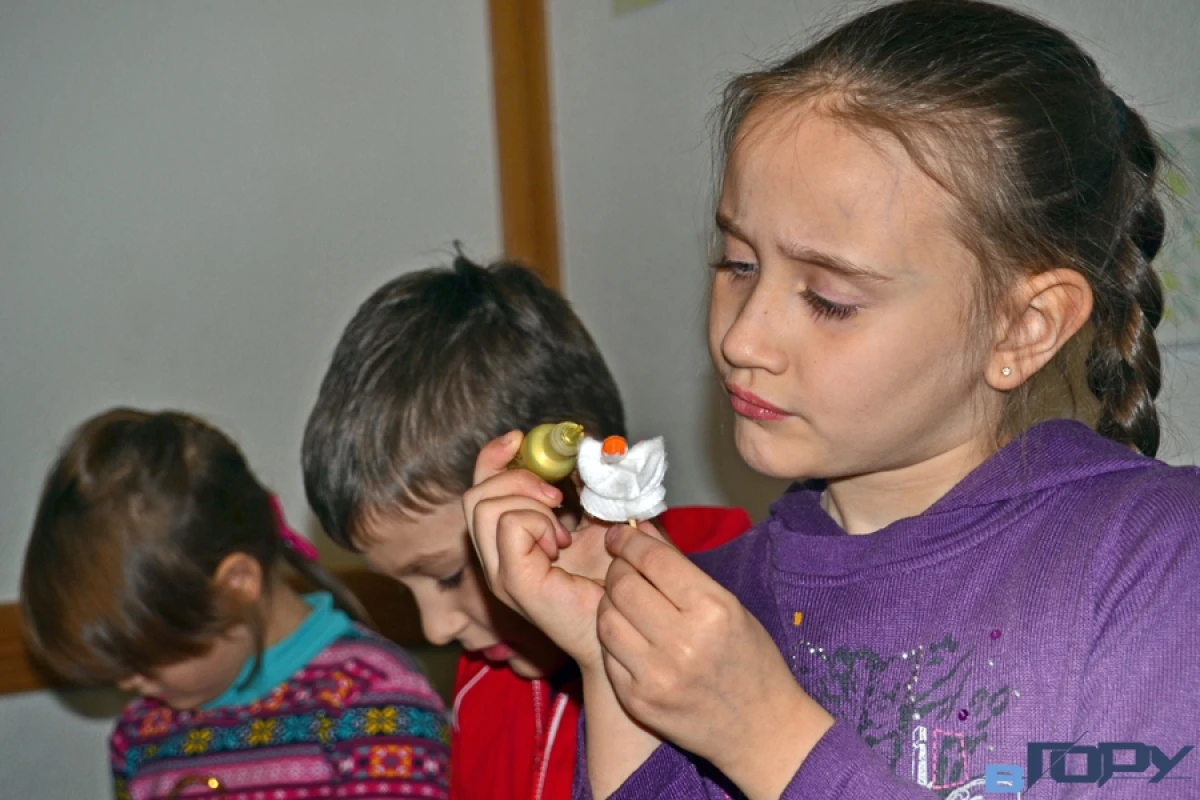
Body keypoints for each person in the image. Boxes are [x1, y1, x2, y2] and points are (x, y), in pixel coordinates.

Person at [463, 1, 1200, 798]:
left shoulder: (1156, 559)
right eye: (739, 265)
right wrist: (609, 654)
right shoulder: (718, 599)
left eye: (830, 299)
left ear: (1024, 327)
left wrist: (767, 739)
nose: (744, 338)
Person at [301, 255, 750, 800]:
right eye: (403, 588)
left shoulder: (737, 598)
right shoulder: (483, 679)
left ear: (570, 493)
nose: (436, 629)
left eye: (447, 576)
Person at [20, 409, 450, 800]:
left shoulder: (373, 703)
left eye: (146, 659)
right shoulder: (141, 733)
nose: (129, 684)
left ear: (236, 585)